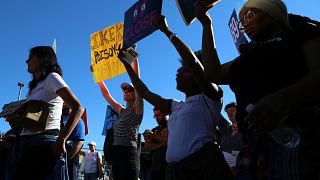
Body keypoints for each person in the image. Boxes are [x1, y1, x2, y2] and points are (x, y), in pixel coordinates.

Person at [195, 0, 320, 179]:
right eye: (242, 20)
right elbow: (212, 74)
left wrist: (281, 100)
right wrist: (206, 25)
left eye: (250, 15)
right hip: (253, 145)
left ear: (271, 12)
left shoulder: (300, 32)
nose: (245, 23)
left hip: (294, 133)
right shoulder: (249, 53)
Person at [118, 15, 234, 180]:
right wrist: (126, 63)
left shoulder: (211, 98)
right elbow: (143, 91)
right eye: (179, 69)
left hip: (201, 172)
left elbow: (193, 62)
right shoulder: (176, 106)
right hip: (175, 173)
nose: (178, 72)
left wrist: (167, 31)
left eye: (184, 70)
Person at [4, 46, 84, 179]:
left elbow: (78, 108)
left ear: (42, 59)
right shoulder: (31, 89)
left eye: (31, 57)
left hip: (44, 144)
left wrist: (61, 140)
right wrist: (16, 117)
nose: (26, 61)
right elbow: (32, 117)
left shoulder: (52, 78)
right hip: (24, 145)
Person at [93, 58, 144, 180]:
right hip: (116, 152)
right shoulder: (121, 110)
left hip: (129, 153)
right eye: (124, 89)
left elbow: (137, 81)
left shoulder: (137, 108)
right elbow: (107, 95)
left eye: (129, 89)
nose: (126, 91)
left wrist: (134, 58)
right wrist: (97, 75)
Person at [143, 107, 168, 180]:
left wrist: (154, 136)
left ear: (165, 113)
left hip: (169, 166)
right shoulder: (154, 130)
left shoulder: (173, 126)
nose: (157, 118)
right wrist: (164, 143)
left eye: (159, 115)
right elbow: (147, 146)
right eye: (155, 116)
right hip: (155, 167)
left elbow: (171, 142)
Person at [62, 103, 85, 180]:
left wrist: (67, 160)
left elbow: (79, 142)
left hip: (69, 159)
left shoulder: (77, 120)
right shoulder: (56, 118)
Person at [218, 102, 243, 172]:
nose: (229, 113)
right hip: (226, 169)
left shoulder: (246, 126)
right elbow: (216, 114)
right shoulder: (225, 128)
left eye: (232, 111)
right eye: (228, 112)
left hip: (243, 167)